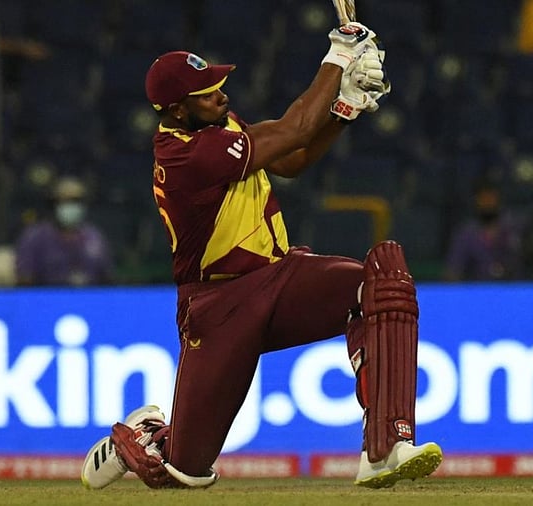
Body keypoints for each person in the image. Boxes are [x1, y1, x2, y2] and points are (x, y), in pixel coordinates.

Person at [79, 23, 442, 490]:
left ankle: (386, 447)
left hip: (280, 275)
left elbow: (291, 158)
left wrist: (346, 108)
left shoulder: (216, 125)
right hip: (218, 307)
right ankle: (144, 436)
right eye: (206, 94)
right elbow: (294, 127)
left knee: (382, 279)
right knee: (184, 472)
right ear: (176, 110)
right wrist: (339, 57)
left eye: (217, 86)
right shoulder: (186, 155)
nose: (221, 97)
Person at [14, 175, 113, 286]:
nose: (71, 206)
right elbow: (24, 280)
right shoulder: (34, 237)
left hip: (87, 300)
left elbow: (106, 280)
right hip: (46, 300)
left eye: (76, 201)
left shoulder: (95, 237)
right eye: (65, 201)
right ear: (53, 204)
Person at [443, 181, 523, 281]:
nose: (487, 203)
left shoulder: (515, 229)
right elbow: (453, 271)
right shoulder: (465, 234)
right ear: (476, 201)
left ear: (498, 199)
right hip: (475, 291)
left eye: (490, 198)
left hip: (513, 290)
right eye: (483, 199)